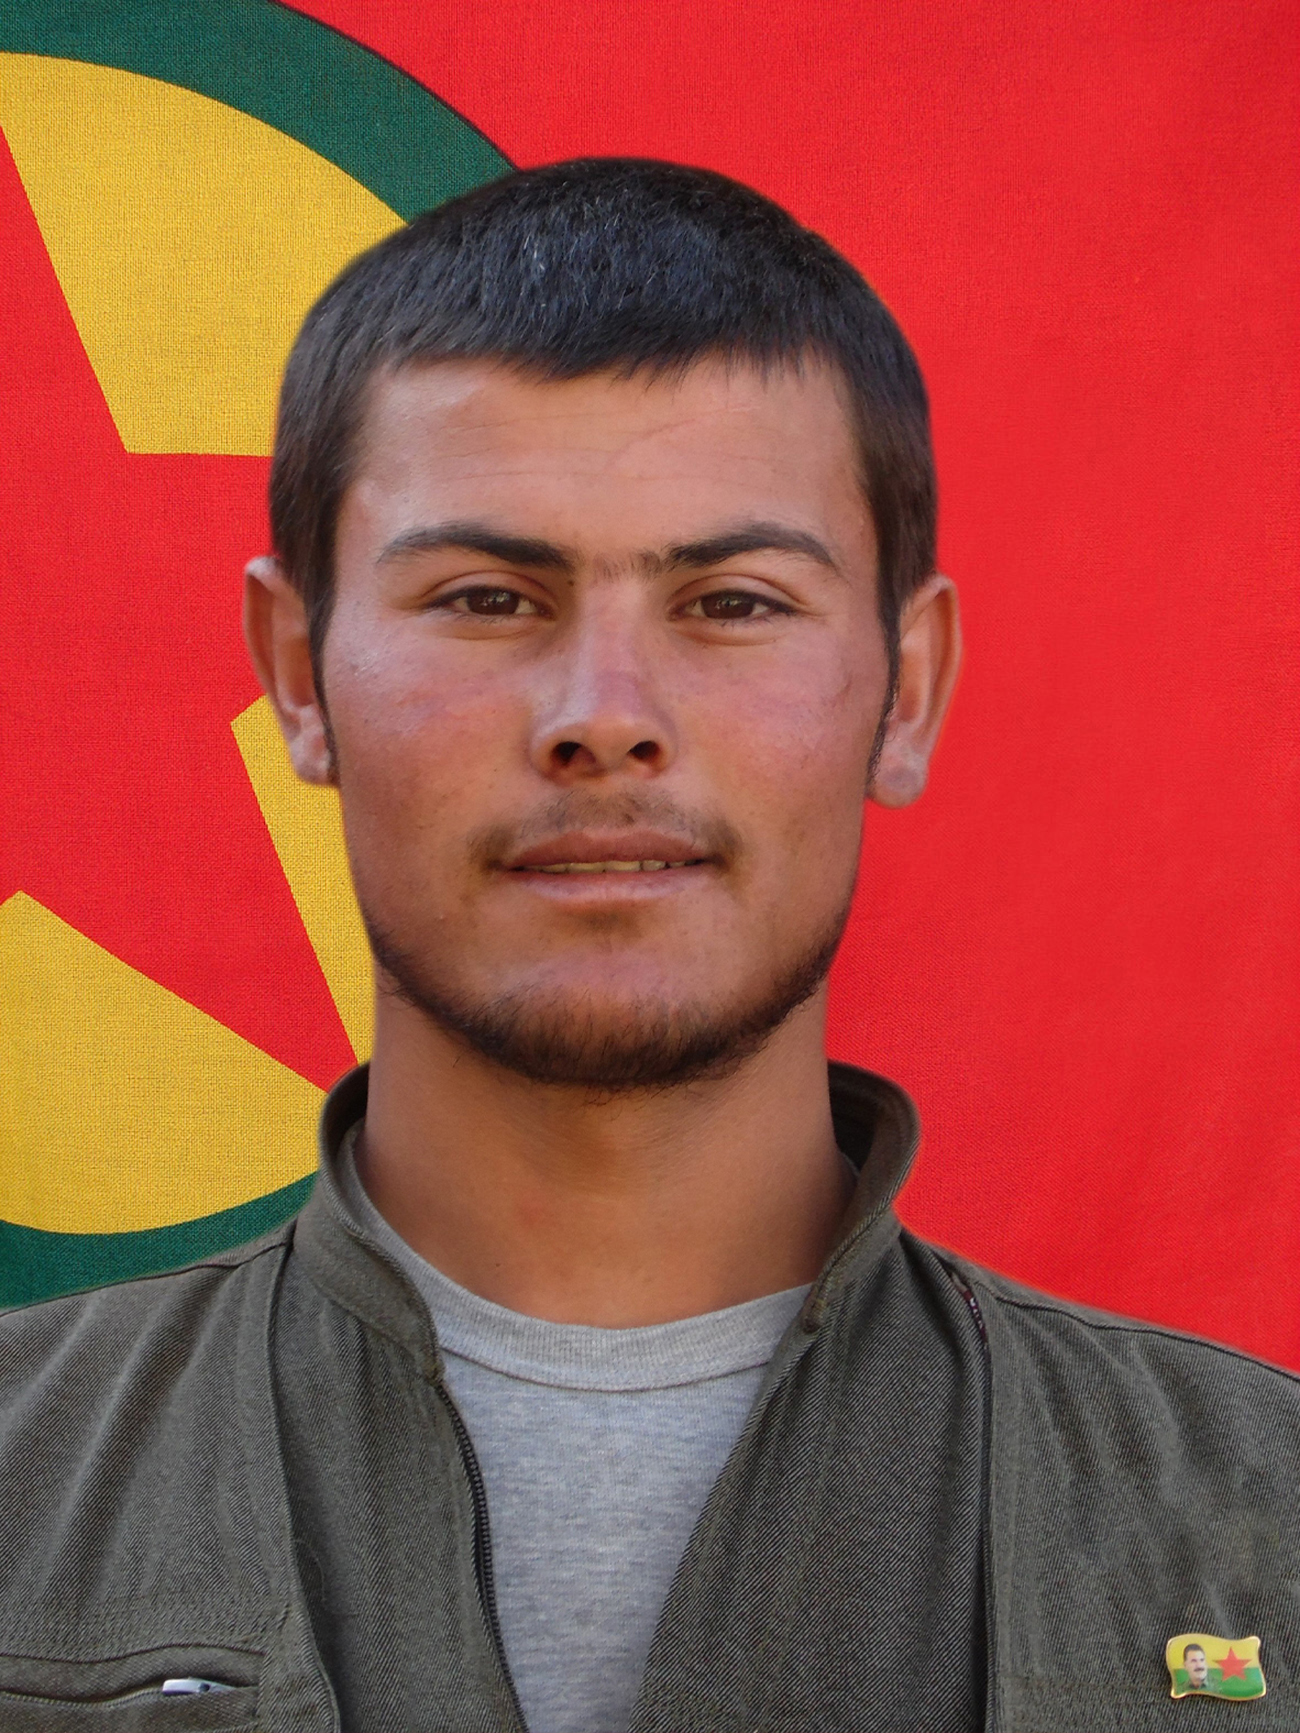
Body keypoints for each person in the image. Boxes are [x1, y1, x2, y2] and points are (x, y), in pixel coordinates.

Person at [0, 158, 1296, 1733]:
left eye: (734, 603)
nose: (604, 716)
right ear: (297, 670)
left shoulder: (1264, 1525)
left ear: (907, 690)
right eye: (488, 598)